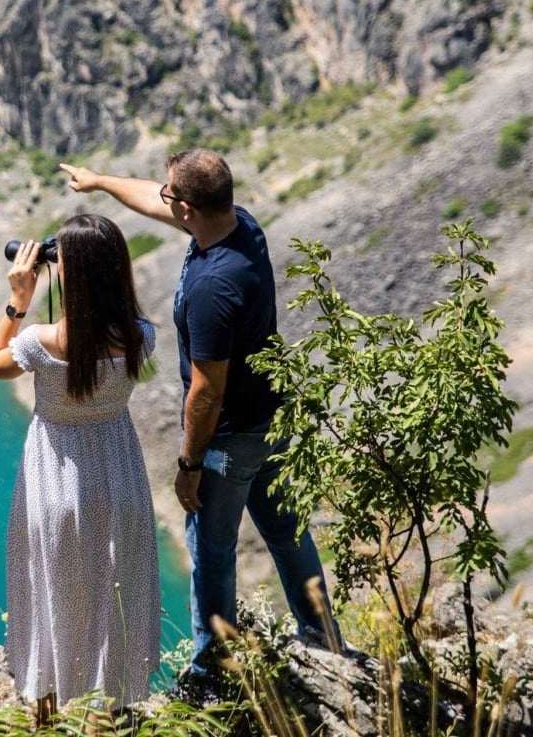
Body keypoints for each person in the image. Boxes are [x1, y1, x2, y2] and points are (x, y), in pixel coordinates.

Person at [60, 150, 338, 701]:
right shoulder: (240, 227)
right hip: (272, 418)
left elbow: (205, 392)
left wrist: (189, 465)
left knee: (212, 554)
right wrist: (99, 182)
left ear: (187, 208)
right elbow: (151, 196)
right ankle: (323, 639)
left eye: (170, 196)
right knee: (287, 533)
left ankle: (211, 673)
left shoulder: (213, 286)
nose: (162, 200)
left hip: (228, 438)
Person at [0, 214, 161, 723]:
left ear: (69, 276)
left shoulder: (42, 342)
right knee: (116, 597)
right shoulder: (141, 336)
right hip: (119, 477)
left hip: (54, 481)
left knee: (50, 599)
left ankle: (49, 720)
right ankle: (114, 717)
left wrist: (19, 297)